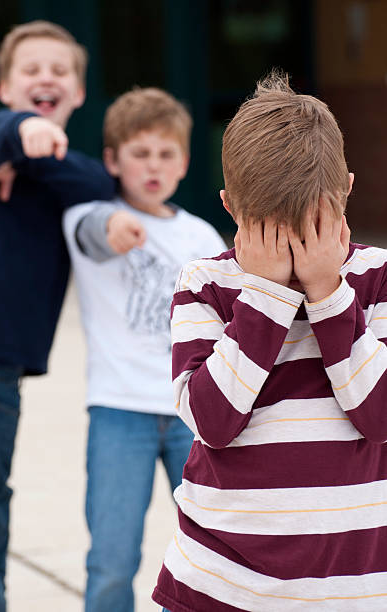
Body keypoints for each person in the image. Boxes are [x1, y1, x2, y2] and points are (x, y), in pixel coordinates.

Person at [152, 71, 387, 612]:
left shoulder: (376, 279)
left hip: (355, 591)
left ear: (347, 191)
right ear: (232, 209)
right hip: (220, 584)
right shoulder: (205, 284)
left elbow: (378, 416)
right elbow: (213, 421)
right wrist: (264, 296)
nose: (294, 251)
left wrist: (329, 294)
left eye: (310, 226)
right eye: (271, 231)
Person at [62, 86, 227, 612]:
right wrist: (112, 225)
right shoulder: (90, 216)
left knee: (217, 546)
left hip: (190, 414)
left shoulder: (201, 234)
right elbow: (90, 231)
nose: (152, 166)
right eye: (139, 154)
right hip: (118, 411)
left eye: (165, 154)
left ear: (183, 163)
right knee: (111, 560)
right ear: (112, 159)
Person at [0, 20, 114, 611]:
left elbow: (100, 184)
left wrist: (27, 156)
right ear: (5, 87)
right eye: (31, 70)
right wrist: (15, 133)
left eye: (60, 71)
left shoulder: (69, 175)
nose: (46, 78)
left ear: (79, 94)